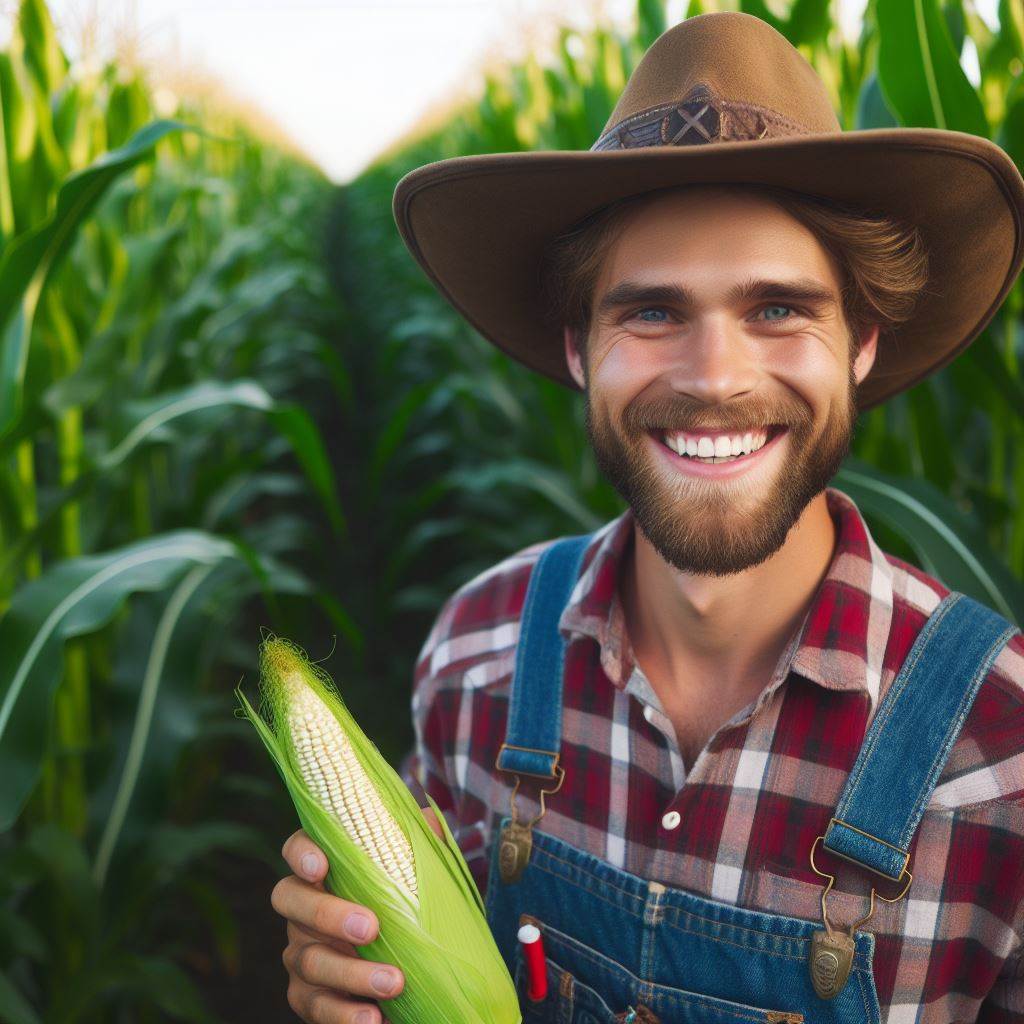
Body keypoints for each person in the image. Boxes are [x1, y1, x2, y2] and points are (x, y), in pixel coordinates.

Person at [271, 11, 1024, 1024]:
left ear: (861, 344)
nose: (715, 377)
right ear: (579, 349)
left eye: (778, 309)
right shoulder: (475, 655)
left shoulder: (1002, 757)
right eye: (653, 311)